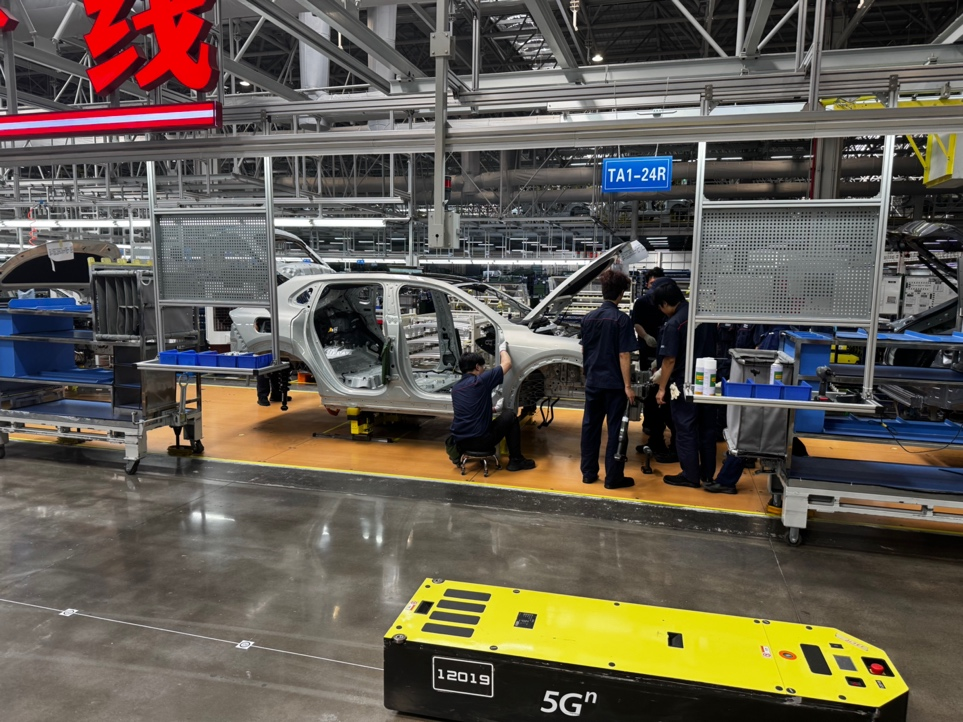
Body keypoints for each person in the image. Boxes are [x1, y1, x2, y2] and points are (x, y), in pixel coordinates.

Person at [652, 282, 720, 491]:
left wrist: (661, 388)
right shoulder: (704, 317)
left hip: (684, 383)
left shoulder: (675, 323)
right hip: (708, 380)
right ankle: (707, 474)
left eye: (661, 307)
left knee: (685, 429)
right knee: (707, 429)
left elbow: (669, 360)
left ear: (665, 303)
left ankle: (690, 475)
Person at [579, 269, 637, 489]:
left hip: (593, 382)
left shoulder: (588, 318)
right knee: (615, 430)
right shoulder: (622, 320)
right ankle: (613, 478)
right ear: (621, 294)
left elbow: (584, 350)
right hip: (614, 385)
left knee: (590, 427)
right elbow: (624, 355)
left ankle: (588, 473)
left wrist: (589, 373)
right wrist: (628, 386)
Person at [450, 344, 536, 472]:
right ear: (477, 367)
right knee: (510, 416)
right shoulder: (480, 380)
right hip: (482, 441)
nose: (483, 370)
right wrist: (502, 349)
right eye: (483, 367)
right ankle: (516, 460)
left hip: (461, 442)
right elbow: (507, 364)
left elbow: (471, 410)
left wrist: (494, 409)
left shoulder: (456, 388)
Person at [631, 268, 678, 463]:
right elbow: (636, 322)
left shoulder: (675, 316)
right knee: (651, 397)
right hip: (650, 352)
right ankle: (654, 437)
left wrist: (661, 361)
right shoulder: (643, 302)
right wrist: (646, 337)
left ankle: (673, 447)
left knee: (666, 401)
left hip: (666, 358)